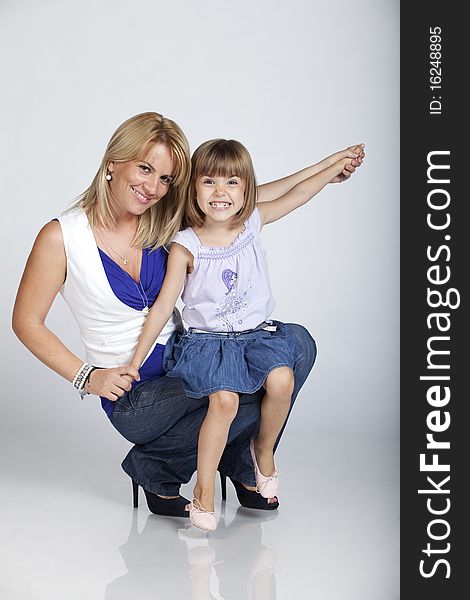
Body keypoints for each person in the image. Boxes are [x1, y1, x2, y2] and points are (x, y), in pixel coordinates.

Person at [11, 111, 363, 519]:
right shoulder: (62, 237)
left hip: (187, 358)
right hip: (136, 393)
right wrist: (87, 376)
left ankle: (233, 462)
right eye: (145, 169)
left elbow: (244, 200)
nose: (152, 188)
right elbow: (26, 322)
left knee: (293, 348)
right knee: (240, 387)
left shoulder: (162, 219)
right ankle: (161, 467)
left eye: (165, 179)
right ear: (112, 162)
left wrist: (325, 168)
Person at [128, 138, 365, 530]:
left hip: (256, 337)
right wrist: (135, 362)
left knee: (282, 379)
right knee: (224, 402)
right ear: (194, 189)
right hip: (209, 344)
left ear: (246, 190)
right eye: (209, 183)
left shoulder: (253, 222)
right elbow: (163, 307)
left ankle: (262, 451)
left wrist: (331, 165)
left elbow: (301, 191)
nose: (220, 193)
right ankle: (203, 489)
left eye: (232, 184)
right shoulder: (186, 245)